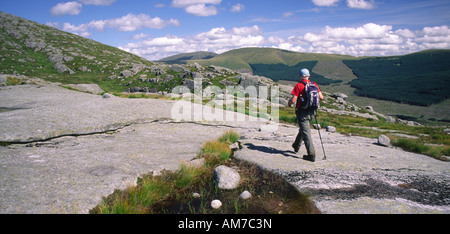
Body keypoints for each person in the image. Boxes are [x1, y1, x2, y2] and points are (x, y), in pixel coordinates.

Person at [288, 68, 324, 162]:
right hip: (312, 112)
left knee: (306, 131)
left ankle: (311, 154)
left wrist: (289, 103)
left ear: (300, 76)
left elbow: (293, 100)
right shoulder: (314, 84)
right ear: (309, 76)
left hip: (302, 112)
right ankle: (296, 145)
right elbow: (321, 97)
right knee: (304, 128)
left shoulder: (299, 85)